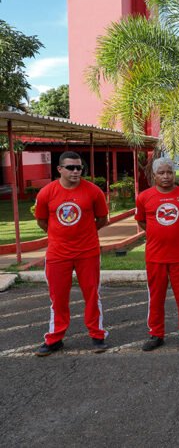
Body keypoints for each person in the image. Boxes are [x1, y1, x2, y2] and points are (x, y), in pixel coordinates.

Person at [33, 151, 109, 356]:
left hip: (88, 252)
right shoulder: (46, 193)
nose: (76, 172)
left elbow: (102, 219)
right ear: (60, 169)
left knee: (92, 295)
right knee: (58, 298)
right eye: (71, 168)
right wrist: (59, 235)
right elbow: (41, 221)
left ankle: (97, 335)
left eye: (79, 168)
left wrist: (86, 234)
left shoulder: (93, 192)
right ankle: (55, 338)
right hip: (58, 254)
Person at [135, 157, 179, 352]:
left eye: (169, 172)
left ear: (173, 174)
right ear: (154, 176)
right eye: (161, 173)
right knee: (156, 298)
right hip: (155, 257)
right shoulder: (144, 197)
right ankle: (156, 334)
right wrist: (157, 235)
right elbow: (142, 221)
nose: (166, 176)